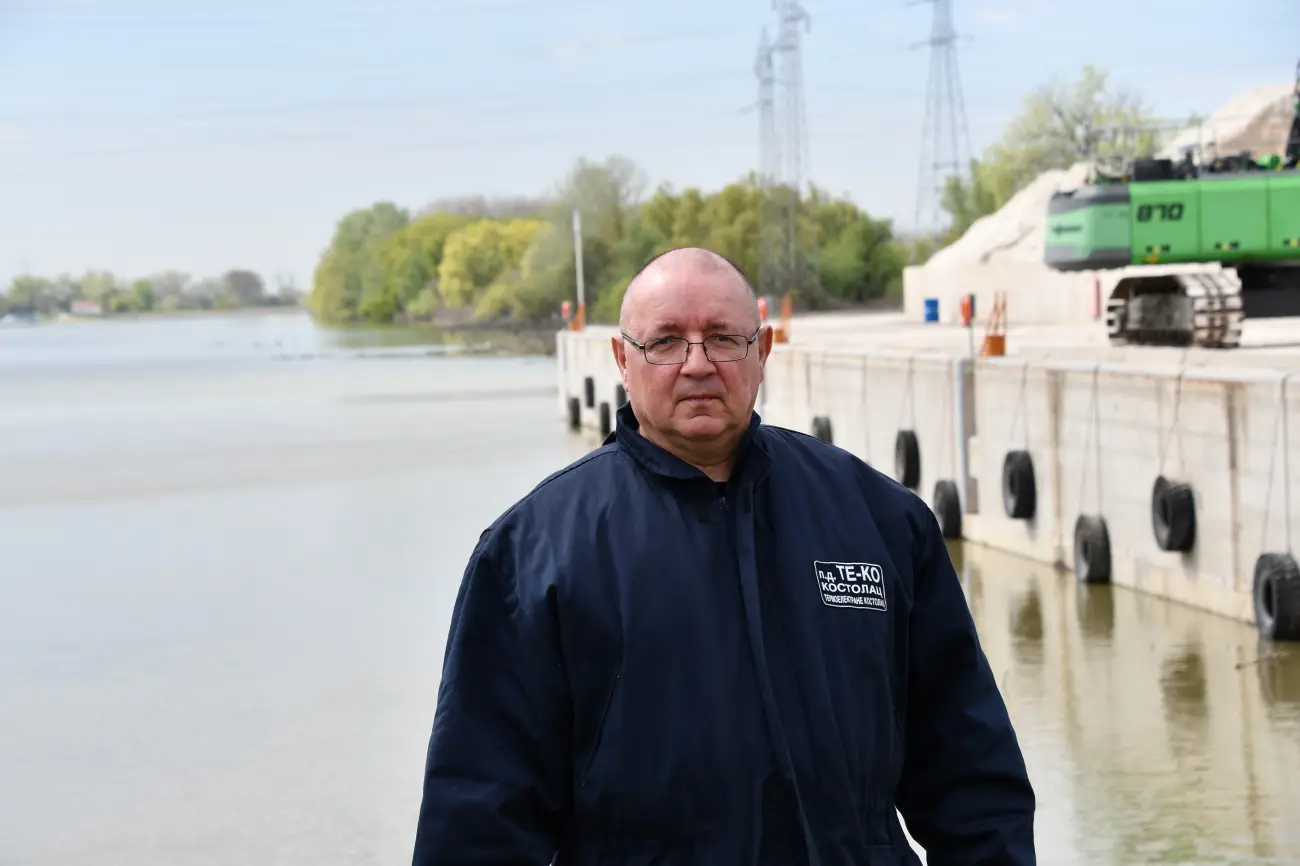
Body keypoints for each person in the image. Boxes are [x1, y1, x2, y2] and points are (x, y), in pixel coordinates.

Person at [411, 246, 1037, 865]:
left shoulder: (879, 521)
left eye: (722, 338)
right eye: (665, 341)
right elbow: (478, 822)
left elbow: (972, 778)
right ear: (622, 359)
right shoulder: (534, 556)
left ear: (762, 351)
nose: (697, 363)